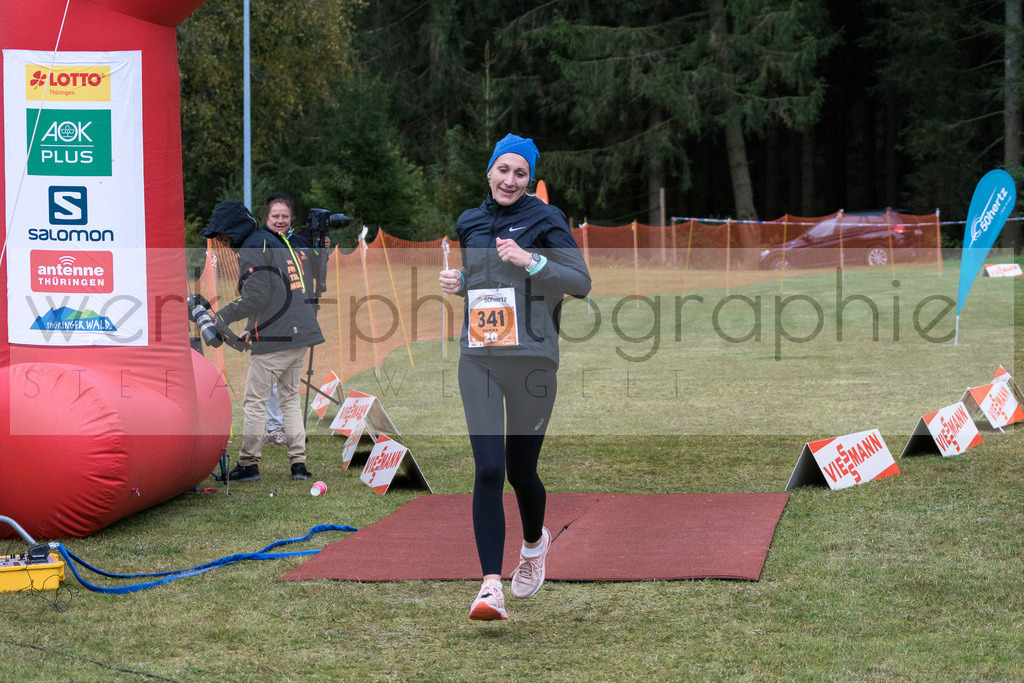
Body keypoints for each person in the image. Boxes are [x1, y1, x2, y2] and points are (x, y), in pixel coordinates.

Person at [439, 133, 591, 621]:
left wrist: (533, 259)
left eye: (520, 173)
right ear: (488, 172)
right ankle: (490, 586)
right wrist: (460, 283)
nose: (510, 180)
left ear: (529, 179)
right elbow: (484, 284)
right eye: (502, 170)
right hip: (479, 356)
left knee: (522, 470)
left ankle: (533, 544)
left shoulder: (546, 219)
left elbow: (580, 283)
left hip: (533, 360)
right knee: (488, 469)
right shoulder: (470, 221)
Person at [203, 198, 324, 482]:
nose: (221, 239)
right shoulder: (272, 240)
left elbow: (258, 296)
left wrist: (222, 316)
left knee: (255, 401)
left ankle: (248, 464)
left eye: (222, 233)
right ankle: (298, 465)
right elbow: (275, 291)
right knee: (290, 400)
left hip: (277, 339)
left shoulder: (253, 247)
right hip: (300, 332)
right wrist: (250, 326)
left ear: (234, 227)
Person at [257, 193, 330, 446]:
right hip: (273, 317)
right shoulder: (262, 242)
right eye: (275, 216)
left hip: (299, 315)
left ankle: (290, 429)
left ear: (291, 218)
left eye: (284, 216)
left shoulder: (299, 241)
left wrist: (322, 252)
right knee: (270, 378)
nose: (280, 220)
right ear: (266, 218)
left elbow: (317, 274)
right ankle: (275, 428)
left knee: (289, 380)